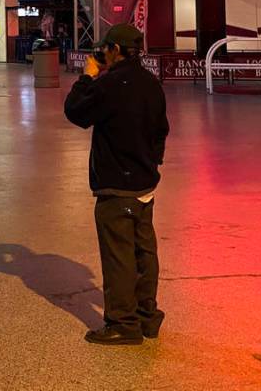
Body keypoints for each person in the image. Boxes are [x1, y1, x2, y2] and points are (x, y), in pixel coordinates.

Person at [63, 23, 169, 346]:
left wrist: (86, 76)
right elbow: (161, 130)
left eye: (106, 48)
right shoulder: (152, 83)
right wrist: (150, 162)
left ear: (116, 51)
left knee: (119, 256)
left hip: (116, 185)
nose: (103, 53)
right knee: (143, 252)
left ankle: (123, 323)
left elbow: (75, 111)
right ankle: (147, 315)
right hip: (144, 183)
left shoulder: (110, 85)